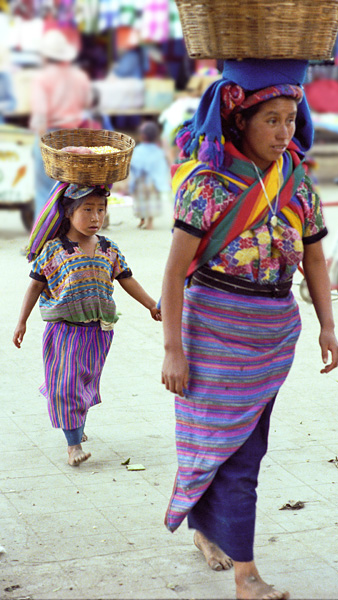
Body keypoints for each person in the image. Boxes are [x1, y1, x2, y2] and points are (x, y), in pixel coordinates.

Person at [160, 58, 338, 600]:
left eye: (292, 118)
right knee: (234, 452)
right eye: (272, 120)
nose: (285, 131)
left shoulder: (298, 186)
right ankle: (247, 575)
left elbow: (315, 263)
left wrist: (327, 326)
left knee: (239, 445)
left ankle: (206, 531)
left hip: (271, 336)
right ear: (239, 120)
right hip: (212, 332)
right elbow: (172, 273)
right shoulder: (207, 187)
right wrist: (173, 350)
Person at [13, 178, 161, 466]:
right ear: (68, 212)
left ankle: (71, 419)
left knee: (82, 385)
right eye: (87, 210)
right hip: (63, 329)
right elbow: (34, 286)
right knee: (67, 386)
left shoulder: (109, 248)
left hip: (99, 331)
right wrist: (22, 322)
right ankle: (73, 445)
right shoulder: (54, 250)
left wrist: (152, 305)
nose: (96, 217)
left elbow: (126, 279)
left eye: (101, 210)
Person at [29, 29, 93, 220]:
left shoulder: (41, 79)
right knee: (70, 189)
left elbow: (40, 116)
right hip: (75, 137)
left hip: (50, 135)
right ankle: (68, 236)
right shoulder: (80, 76)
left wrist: (41, 143)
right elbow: (88, 103)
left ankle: (43, 236)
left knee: (44, 190)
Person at [129, 121, 171, 230]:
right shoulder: (158, 151)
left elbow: (134, 164)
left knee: (140, 201)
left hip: (141, 180)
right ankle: (148, 221)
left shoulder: (138, 150)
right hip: (154, 181)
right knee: (152, 201)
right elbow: (161, 166)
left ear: (142, 136)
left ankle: (143, 220)